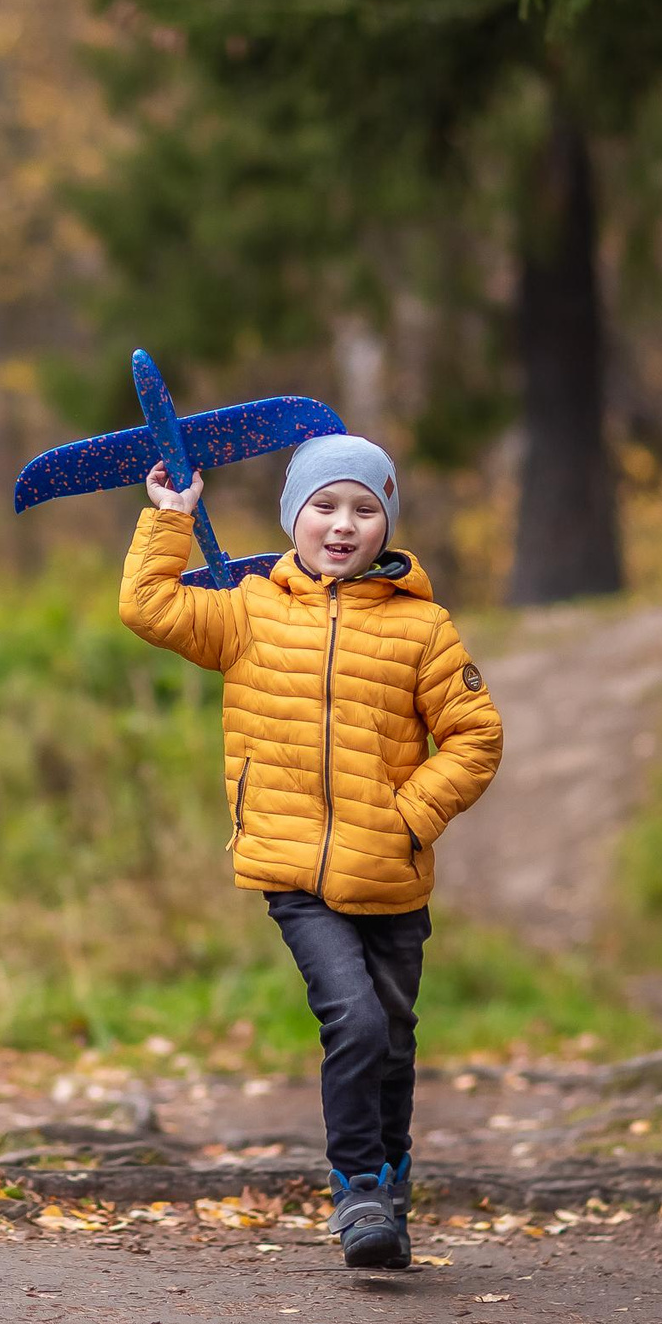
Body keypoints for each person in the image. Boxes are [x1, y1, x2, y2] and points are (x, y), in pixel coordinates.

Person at [119, 435, 502, 1268]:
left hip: (392, 873)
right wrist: (171, 523)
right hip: (296, 872)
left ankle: (391, 1185)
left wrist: (410, 816)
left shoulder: (422, 627)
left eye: (365, 509)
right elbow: (149, 605)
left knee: (393, 1040)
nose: (342, 524)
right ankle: (357, 1186)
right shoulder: (248, 610)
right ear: (292, 516)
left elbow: (475, 736)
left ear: (387, 524)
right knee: (355, 1021)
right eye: (324, 506)